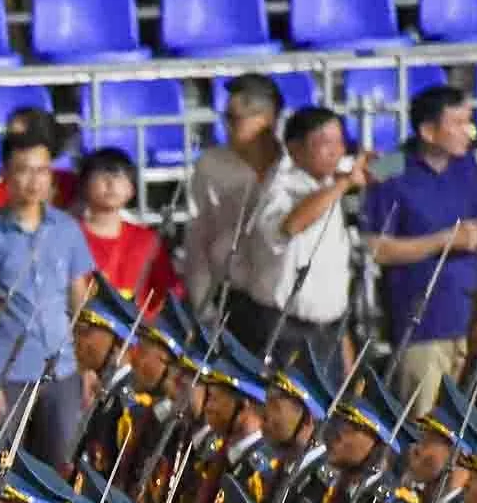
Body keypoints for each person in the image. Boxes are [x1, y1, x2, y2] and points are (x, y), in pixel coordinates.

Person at [361, 86, 477, 418]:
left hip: (469, 318)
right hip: (421, 324)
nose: (469, 132)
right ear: (428, 131)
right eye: (458, 123)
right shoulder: (389, 166)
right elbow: (378, 248)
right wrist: (444, 241)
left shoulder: (465, 161)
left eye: (469, 121)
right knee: (423, 424)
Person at [0, 129, 100, 470]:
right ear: (6, 175)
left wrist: (89, 365)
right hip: (8, 373)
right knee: (3, 471)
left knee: (63, 469)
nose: (34, 180)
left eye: (42, 170)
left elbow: (80, 301)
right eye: (24, 170)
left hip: (63, 370)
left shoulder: (67, 229)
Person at [231, 106, 367, 374]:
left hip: (331, 330)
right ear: (295, 148)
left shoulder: (330, 177)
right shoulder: (279, 186)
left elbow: (394, 165)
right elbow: (292, 224)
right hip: (286, 331)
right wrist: (343, 185)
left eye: (340, 142)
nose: (336, 151)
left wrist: (379, 163)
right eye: (325, 142)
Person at [184, 74, 283, 316]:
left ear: (268, 118)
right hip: (233, 295)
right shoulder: (210, 166)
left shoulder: (293, 164)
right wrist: (202, 305)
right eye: (225, 117)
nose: (226, 126)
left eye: (234, 119)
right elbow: (198, 238)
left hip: (285, 297)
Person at [74, 147, 180, 315]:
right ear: (84, 185)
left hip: (138, 328)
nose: (111, 184)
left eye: (120, 177)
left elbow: (171, 295)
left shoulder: (148, 241)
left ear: (132, 189)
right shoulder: (68, 237)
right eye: (102, 175)